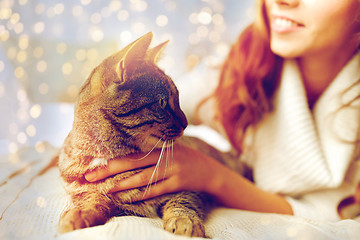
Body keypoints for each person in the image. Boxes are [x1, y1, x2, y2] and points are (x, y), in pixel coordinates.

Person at [85, 0, 360, 221]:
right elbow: (152, 104)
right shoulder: (239, 65)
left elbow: (327, 214)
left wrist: (210, 174)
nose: (282, 1)